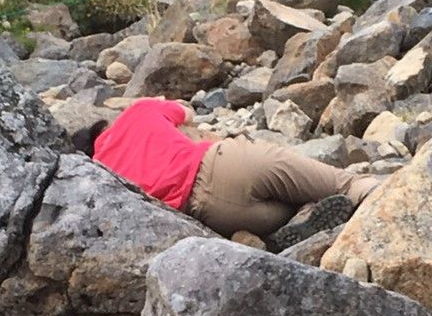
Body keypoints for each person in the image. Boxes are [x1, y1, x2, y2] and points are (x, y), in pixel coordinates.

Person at [92, 98, 376, 250]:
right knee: (345, 184)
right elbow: (186, 113)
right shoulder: (135, 113)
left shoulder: (98, 175)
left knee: (288, 211)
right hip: (222, 165)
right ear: (105, 127)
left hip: (211, 216)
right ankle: (382, 198)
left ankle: (294, 226)